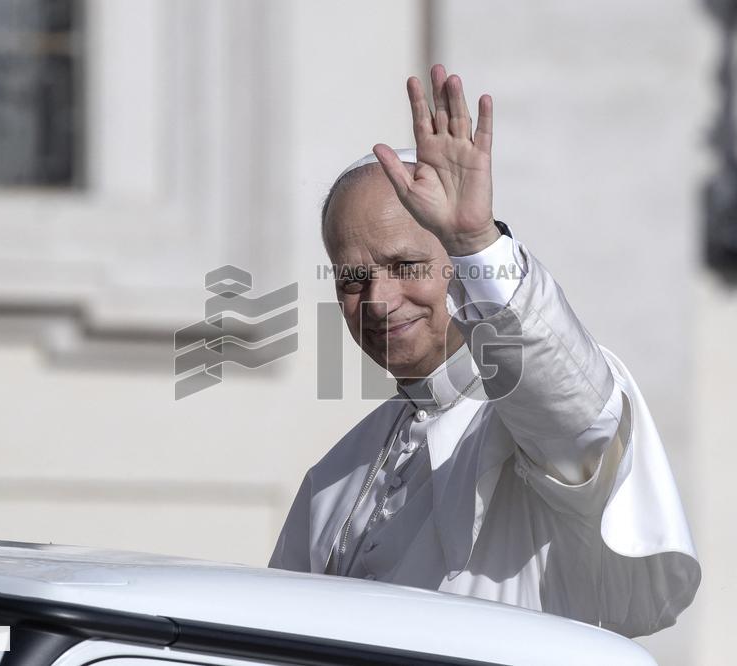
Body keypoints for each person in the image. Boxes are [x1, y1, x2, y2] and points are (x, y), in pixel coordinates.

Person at [269, 65, 700, 638]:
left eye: (405, 266)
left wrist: (478, 243)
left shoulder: (529, 429)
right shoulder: (335, 473)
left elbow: (571, 401)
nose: (377, 300)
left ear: (459, 269)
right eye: (352, 276)